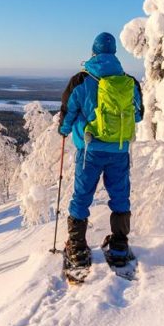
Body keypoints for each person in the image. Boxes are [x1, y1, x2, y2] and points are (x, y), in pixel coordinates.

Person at [58, 32, 144, 272]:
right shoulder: (129, 82)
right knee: (120, 195)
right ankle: (118, 246)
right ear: (114, 52)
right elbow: (138, 115)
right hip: (118, 149)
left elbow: (68, 112)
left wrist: (64, 131)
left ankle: (76, 248)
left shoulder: (81, 80)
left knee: (82, 196)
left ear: (93, 52)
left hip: (89, 151)